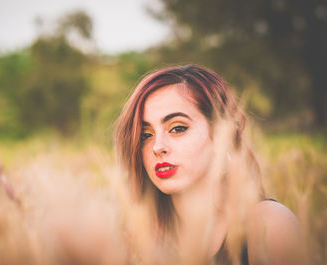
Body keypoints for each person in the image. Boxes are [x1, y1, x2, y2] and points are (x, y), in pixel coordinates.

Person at [115, 65, 303, 264]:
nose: (157, 147)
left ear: (224, 134)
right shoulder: (135, 238)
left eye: (178, 128)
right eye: (146, 135)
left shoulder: (268, 226)